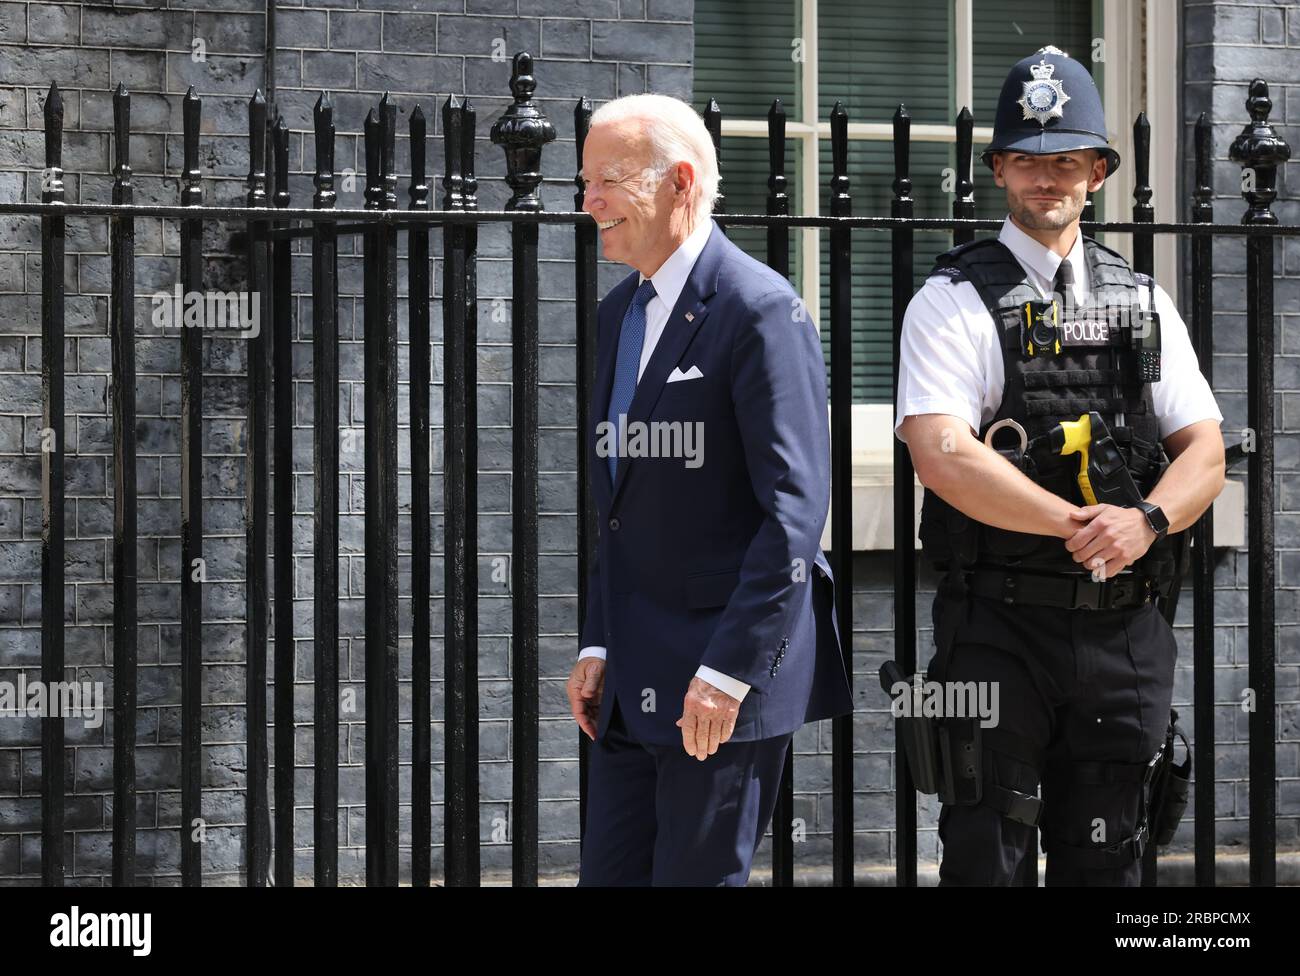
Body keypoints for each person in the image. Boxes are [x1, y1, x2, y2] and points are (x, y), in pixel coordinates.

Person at [895, 46, 1224, 885]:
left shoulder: (1144, 301)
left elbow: (1205, 450)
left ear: (1099, 173)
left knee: (1111, 859)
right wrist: (1080, 526)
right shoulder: (953, 299)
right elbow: (941, 451)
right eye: (1030, 160)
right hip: (994, 627)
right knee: (985, 854)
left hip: (1125, 627)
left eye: (1068, 161)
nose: (1050, 178)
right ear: (1000, 169)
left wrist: (1143, 522)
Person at [566, 93, 853, 886]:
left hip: (717, 678)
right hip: (631, 675)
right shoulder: (618, 313)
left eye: (607, 182)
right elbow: (620, 503)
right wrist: (598, 640)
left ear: (680, 181)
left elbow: (794, 511)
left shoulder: (760, 310)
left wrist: (729, 674)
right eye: (584, 181)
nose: (588, 202)